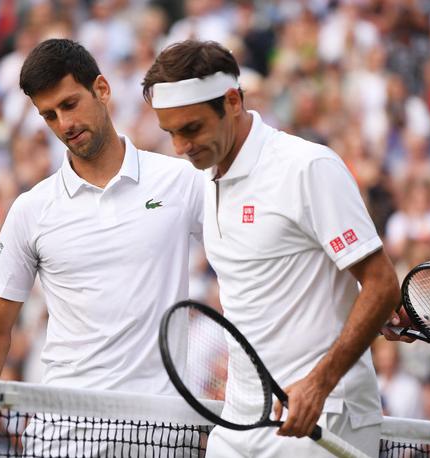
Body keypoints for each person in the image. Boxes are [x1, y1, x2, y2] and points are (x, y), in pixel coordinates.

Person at [0, 38, 204, 457]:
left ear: (102, 89)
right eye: (49, 115)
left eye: (69, 104)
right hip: (64, 437)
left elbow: (251, 254)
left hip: (165, 434)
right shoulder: (31, 209)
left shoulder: (183, 181)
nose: (63, 123)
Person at [142, 40, 401, 457]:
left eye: (191, 129)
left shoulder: (307, 167)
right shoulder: (207, 175)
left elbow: (382, 284)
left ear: (231, 102)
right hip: (240, 416)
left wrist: (320, 382)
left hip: (324, 416)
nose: (180, 147)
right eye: (170, 133)